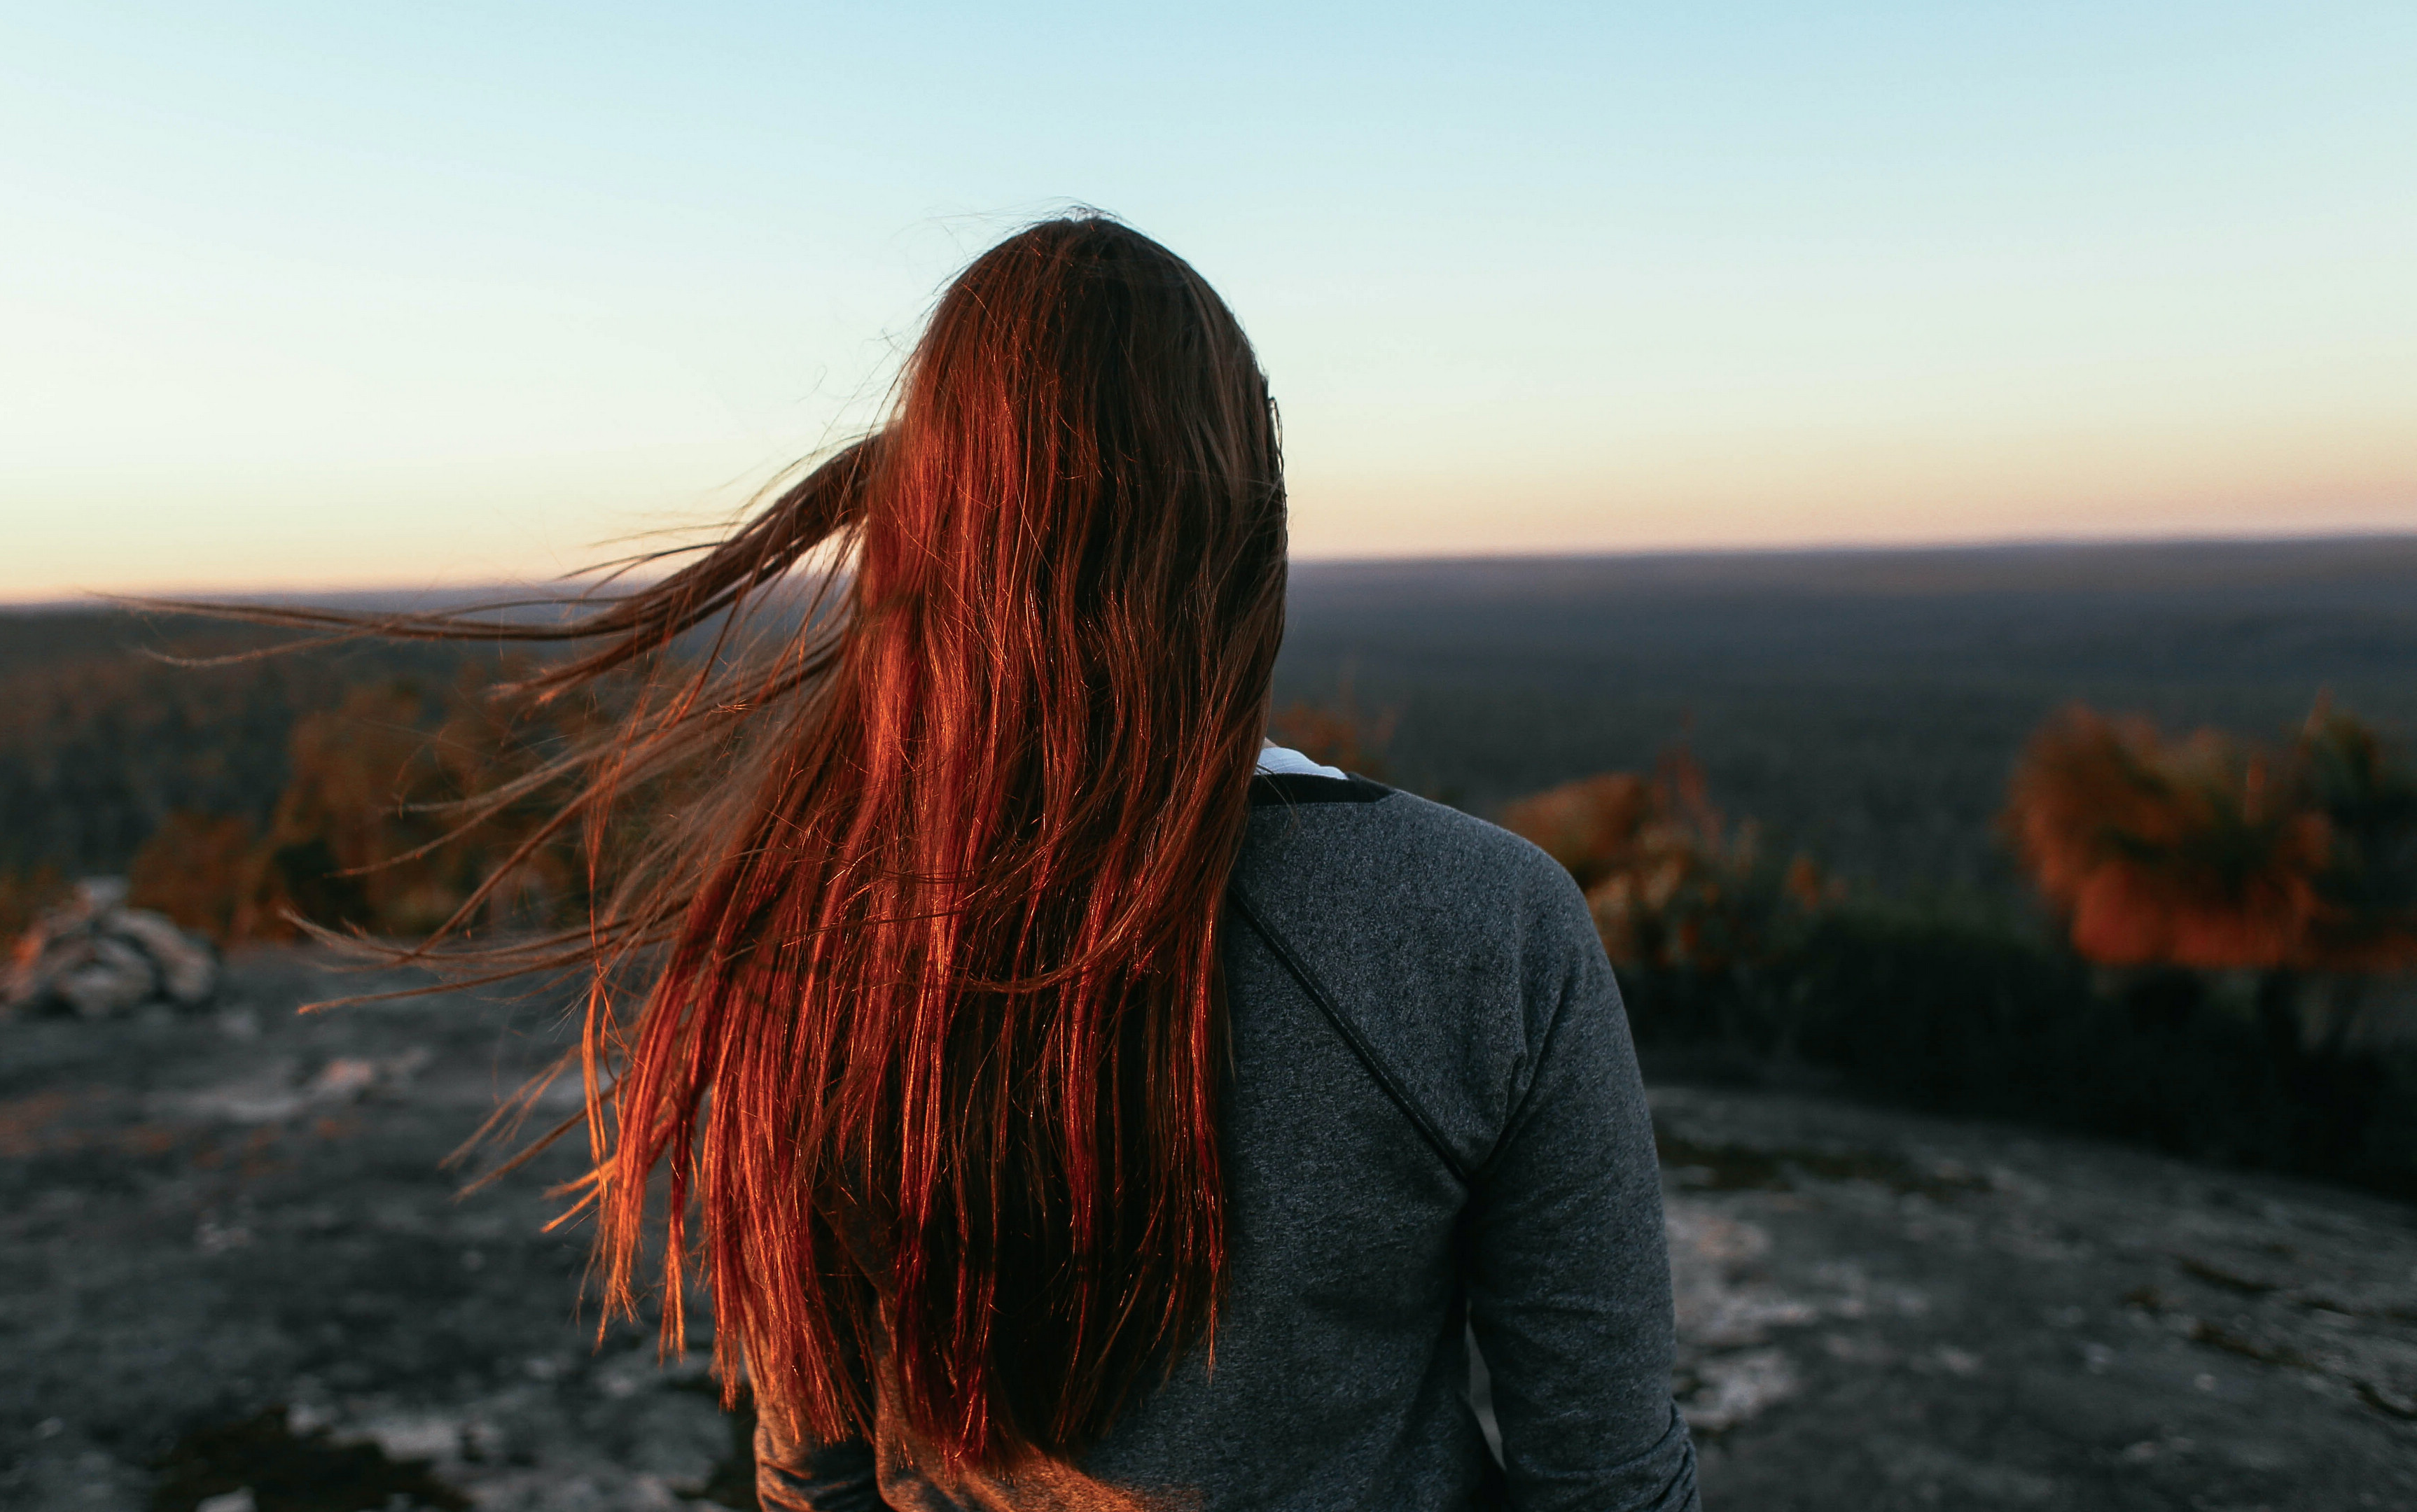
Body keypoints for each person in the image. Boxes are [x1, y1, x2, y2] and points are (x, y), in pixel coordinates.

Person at [251, 214, 1698, 1510]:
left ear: (926, 529)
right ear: (1249, 532)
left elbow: (812, 1480)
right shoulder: (1482, 928)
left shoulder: (797, 941)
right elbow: (1607, 1481)